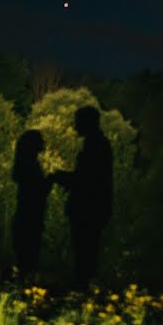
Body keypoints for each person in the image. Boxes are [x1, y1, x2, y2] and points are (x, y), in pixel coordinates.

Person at [52, 106, 113, 289]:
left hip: (88, 210)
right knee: (87, 254)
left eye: (78, 121)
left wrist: (60, 177)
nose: (75, 125)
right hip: (94, 209)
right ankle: (85, 292)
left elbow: (85, 180)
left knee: (84, 255)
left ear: (87, 122)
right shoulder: (99, 143)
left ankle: (82, 292)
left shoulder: (94, 145)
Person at [11, 129, 52, 279]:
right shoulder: (32, 166)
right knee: (30, 257)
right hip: (31, 218)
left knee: (25, 257)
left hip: (25, 216)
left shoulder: (25, 165)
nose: (43, 142)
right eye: (40, 140)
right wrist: (52, 179)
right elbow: (38, 191)